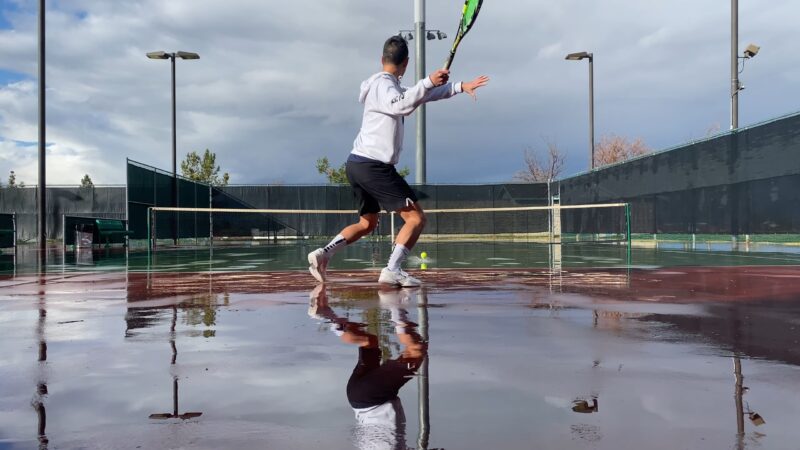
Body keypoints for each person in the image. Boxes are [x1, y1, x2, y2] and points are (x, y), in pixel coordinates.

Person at [308, 35, 490, 287]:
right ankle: (392, 269)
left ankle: (323, 253)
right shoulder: (385, 86)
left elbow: (420, 96)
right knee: (416, 219)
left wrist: (458, 86)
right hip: (374, 166)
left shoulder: (384, 85)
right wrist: (426, 81)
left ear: (382, 59)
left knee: (367, 223)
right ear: (405, 63)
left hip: (357, 164)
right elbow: (402, 105)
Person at [307, 285, 426, 449]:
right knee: (370, 343)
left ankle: (396, 307)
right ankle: (328, 317)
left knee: (415, 351)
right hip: (356, 397)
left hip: (374, 397)